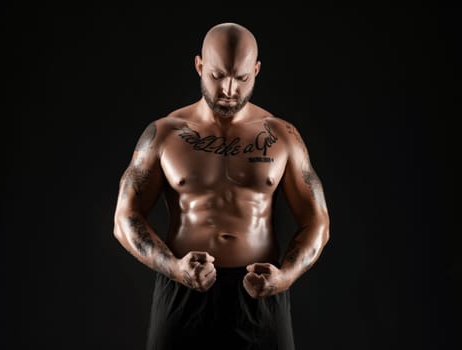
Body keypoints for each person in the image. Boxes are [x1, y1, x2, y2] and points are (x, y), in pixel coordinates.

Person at [113, 22, 330, 350]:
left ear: (256, 71)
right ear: (200, 65)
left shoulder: (283, 136)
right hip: (183, 292)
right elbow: (124, 218)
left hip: (260, 297)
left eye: (241, 78)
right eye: (217, 76)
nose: (229, 89)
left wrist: (285, 276)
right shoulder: (165, 134)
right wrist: (174, 268)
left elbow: (318, 221)